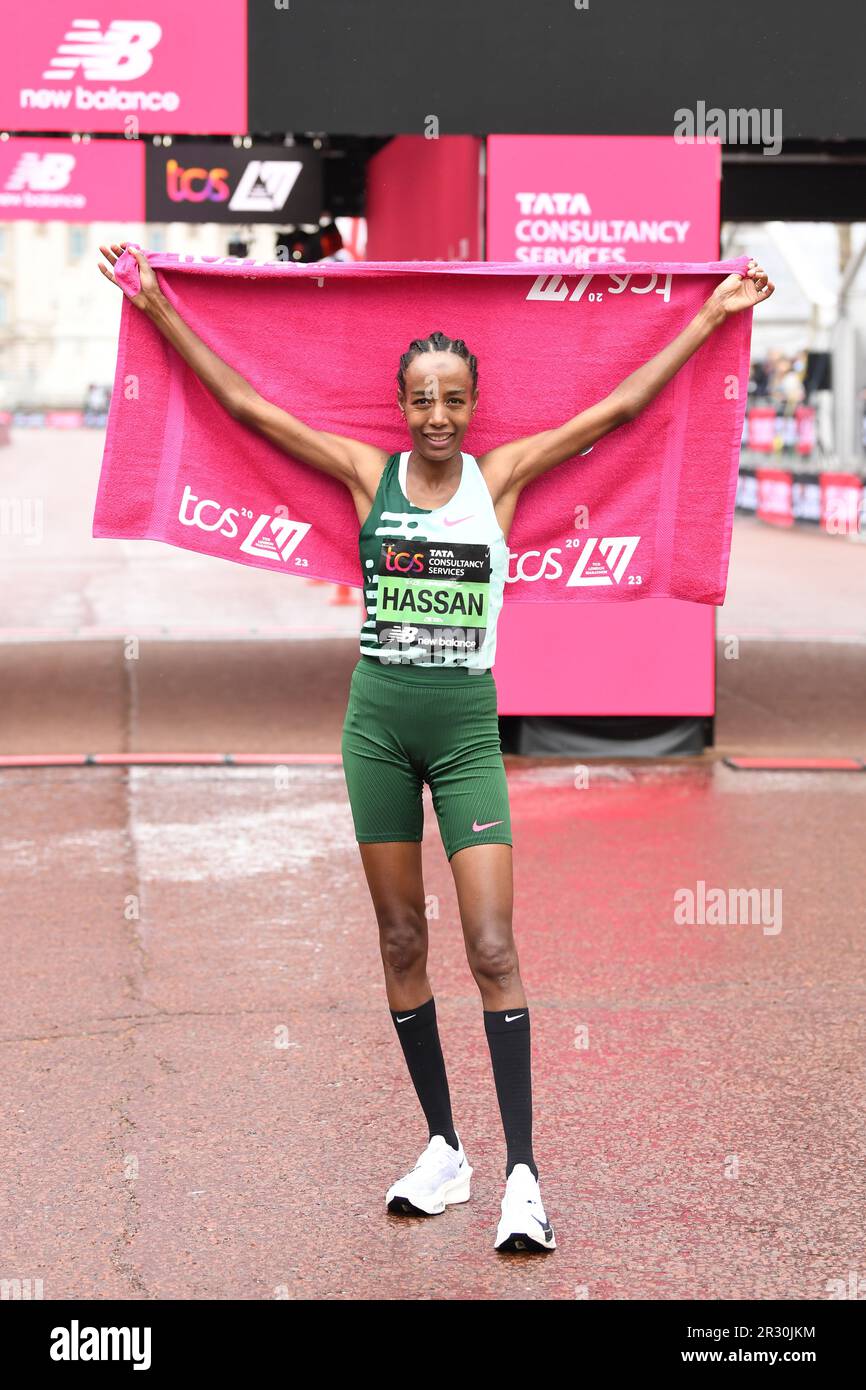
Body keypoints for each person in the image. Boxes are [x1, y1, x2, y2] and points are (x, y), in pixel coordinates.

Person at [97, 241, 773, 1253]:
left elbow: (620, 410)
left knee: (491, 944)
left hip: (461, 731)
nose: (438, 415)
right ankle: (442, 1146)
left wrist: (711, 316)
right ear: (401, 403)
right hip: (374, 724)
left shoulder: (497, 479)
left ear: (472, 403)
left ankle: (522, 1177)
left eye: (454, 397)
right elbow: (244, 407)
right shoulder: (365, 471)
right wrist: (156, 304)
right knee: (401, 939)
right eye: (421, 398)